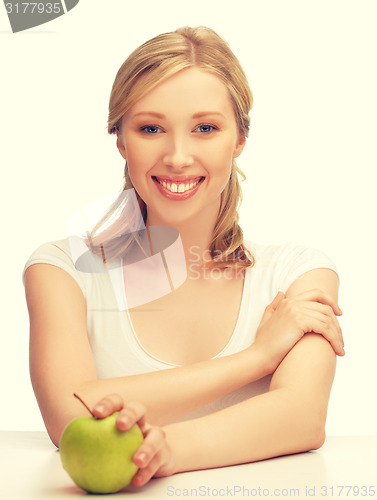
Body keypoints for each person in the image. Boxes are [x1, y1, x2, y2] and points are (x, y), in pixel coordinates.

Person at [23, 26, 344, 487]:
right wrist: (256, 358)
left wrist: (164, 451)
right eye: (150, 128)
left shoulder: (298, 274)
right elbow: (69, 414)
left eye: (205, 128)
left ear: (239, 140)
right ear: (121, 140)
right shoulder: (61, 270)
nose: (177, 156)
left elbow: (302, 416)